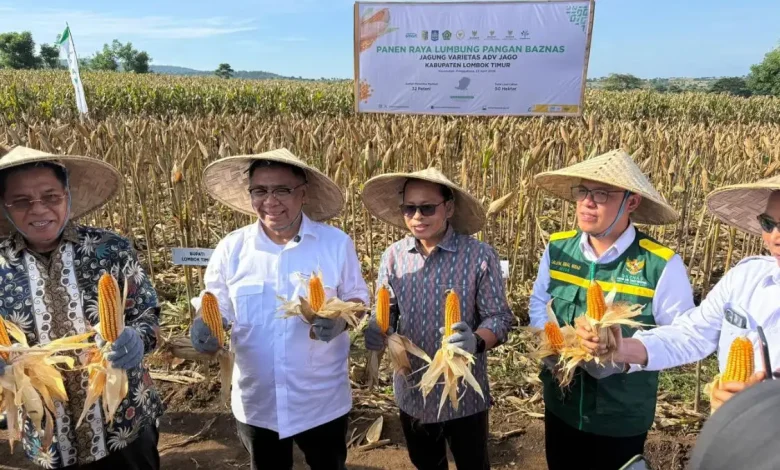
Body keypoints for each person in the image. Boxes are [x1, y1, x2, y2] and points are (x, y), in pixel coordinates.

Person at [189, 148, 369, 470]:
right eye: (260, 191)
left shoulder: (336, 244)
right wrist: (204, 323)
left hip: (320, 400)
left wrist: (342, 319)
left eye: (282, 190)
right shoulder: (232, 248)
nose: (270, 201)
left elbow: (358, 300)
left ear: (303, 193)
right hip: (258, 402)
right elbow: (215, 303)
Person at [529, 149, 695, 470]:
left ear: (631, 202)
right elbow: (539, 304)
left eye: (602, 194)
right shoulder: (557, 248)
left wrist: (623, 357)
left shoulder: (659, 263)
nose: (588, 202)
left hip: (620, 419)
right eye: (583, 191)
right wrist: (549, 341)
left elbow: (684, 339)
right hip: (561, 407)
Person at [0, 145, 164, 469]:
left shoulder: (110, 249)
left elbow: (148, 314)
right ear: (4, 207)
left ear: (68, 196)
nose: (38, 210)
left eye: (51, 197)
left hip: (124, 424)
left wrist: (136, 338)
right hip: (48, 435)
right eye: (21, 201)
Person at [576, 175, 780, 413]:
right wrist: (621, 349)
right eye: (768, 224)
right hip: (733, 432)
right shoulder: (746, 278)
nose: (775, 238)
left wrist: (763, 406)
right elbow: (691, 334)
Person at [361, 168, 515, 470]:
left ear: (449, 208)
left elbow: (499, 318)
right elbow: (387, 307)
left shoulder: (479, 256)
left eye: (427, 207)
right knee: (426, 464)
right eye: (409, 208)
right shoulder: (393, 256)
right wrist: (377, 326)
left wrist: (476, 340)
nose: (417, 216)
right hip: (413, 389)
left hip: (465, 394)